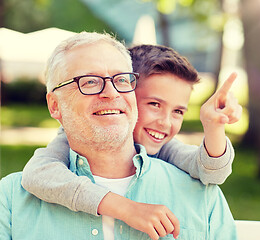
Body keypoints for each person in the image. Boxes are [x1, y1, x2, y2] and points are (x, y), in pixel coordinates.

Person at [0, 31, 237, 239]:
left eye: (121, 80)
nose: (110, 92)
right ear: (54, 105)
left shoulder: (199, 193)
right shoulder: (12, 197)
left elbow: (209, 166)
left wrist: (214, 127)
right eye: (90, 81)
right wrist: (124, 208)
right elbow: (37, 173)